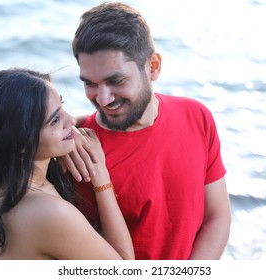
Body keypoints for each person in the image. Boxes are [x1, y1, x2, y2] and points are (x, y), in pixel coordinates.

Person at [62, 2, 231, 260]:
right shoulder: (79, 152)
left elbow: (217, 217)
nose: (103, 99)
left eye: (116, 81)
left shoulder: (197, 117)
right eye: (90, 84)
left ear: (153, 67)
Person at [0, 68, 134, 260]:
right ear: (22, 141)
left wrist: (68, 132)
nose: (71, 119)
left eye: (62, 106)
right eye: (55, 119)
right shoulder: (52, 213)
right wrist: (100, 176)